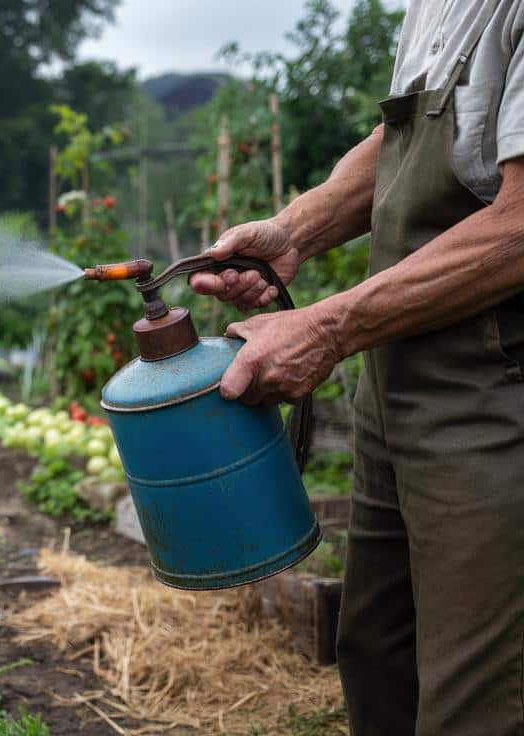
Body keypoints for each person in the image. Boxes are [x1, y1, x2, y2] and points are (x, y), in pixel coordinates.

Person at [189, 1, 524, 733]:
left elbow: (521, 226)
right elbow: (407, 137)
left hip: (496, 398)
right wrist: (298, 229)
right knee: (377, 654)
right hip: (397, 383)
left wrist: (328, 327)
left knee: (480, 700)